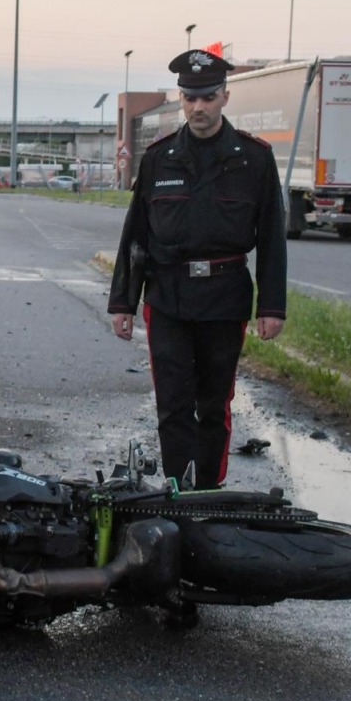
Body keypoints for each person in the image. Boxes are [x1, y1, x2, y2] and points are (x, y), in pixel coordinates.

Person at [107, 49, 287, 489]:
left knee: (213, 402)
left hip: (225, 297)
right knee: (172, 402)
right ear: (181, 100)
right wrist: (123, 302)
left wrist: (272, 307)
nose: (198, 107)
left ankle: (207, 489)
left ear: (224, 96)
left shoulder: (254, 159)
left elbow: (271, 237)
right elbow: (136, 235)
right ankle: (176, 488)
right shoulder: (159, 158)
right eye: (190, 98)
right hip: (167, 296)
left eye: (207, 97)